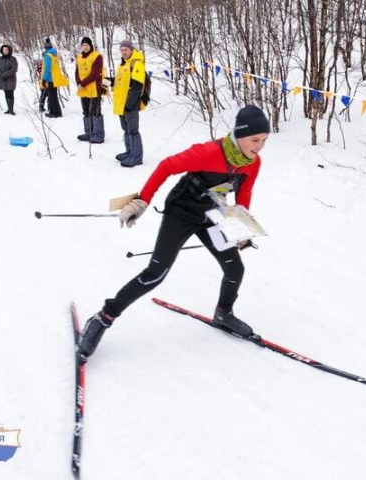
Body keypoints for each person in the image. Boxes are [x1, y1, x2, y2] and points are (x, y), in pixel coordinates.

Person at [77, 105, 271, 359]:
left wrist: (240, 224)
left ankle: (224, 313)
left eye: (265, 140)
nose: (259, 146)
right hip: (180, 212)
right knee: (155, 273)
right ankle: (103, 318)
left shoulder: (252, 164)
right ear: (239, 134)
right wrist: (142, 200)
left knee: (235, 268)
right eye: (255, 139)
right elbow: (166, 167)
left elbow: (244, 193)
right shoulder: (209, 152)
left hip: (210, 216)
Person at [113, 39, 147, 167]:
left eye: (126, 49)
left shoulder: (136, 63)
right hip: (121, 103)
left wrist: (129, 104)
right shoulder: (123, 64)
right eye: (122, 50)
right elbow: (119, 83)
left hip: (130, 104)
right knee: (126, 128)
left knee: (133, 130)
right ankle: (129, 152)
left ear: (131, 49)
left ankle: (136, 157)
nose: (124, 52)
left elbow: (137, 85)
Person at [75, 36, 105, 143]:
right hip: (83, 88)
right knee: (86, 111)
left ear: (90, 45)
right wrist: (79, 82)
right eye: (83, 45)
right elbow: (77, 71)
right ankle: (89, 133)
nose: (85, 47)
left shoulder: (97, 56)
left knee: (95, 111)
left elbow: (95, 73)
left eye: (87, 45)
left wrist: (83, 83)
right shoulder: (79, 57)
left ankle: (99, 135)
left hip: (94, 88)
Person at [40, 37, 68, 118]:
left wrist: (44, 79)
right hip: (55, 78)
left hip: (50, 79)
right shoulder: (54, 54)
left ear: (45, 47)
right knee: (53, 96)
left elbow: (47, 68)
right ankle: (55, 112)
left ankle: (55, 113)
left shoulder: (48, 55)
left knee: (52, 96)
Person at [0, 44, 18, 115]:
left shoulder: (13, 59)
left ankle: (11, 110)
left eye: (6, 50)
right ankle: (8, 108)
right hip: (2, 80)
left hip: (10, 80)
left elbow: (14, 69)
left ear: (9, 50)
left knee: (10, 93)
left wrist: (5, 74)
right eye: (4, 50)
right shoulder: (0, 58)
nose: (5, 51)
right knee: (6, 93)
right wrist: (0, 74)